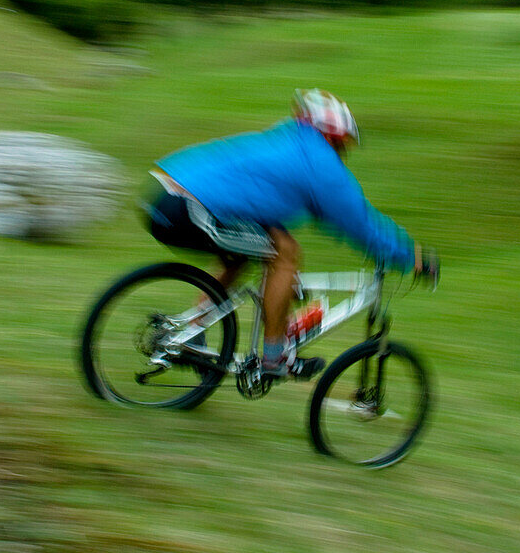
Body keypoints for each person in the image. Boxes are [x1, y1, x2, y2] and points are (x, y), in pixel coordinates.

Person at [141, 89, 437, 380]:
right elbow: (362, 226)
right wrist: (412, 257)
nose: (343, 153)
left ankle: (195, 332)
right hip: (189, 209)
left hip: (168, 196)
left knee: (264, 247)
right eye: (343, 145)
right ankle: (274, 356)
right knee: (285, 254)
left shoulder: (288, 141)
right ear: (334, 138)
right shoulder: (320, 165)